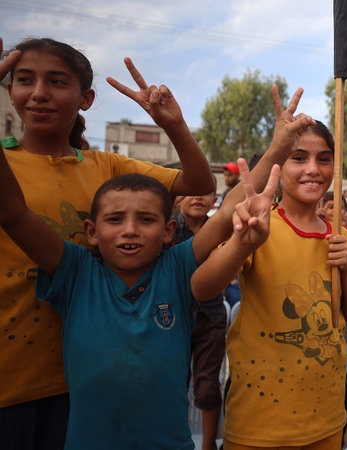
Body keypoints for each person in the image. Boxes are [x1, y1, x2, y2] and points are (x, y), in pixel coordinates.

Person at [0, 37, 216, 448]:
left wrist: (172, 124)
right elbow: (12, 212)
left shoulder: (108, 166)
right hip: (9, 375)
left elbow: (199, 183)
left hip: (81, 381)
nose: (40, 93)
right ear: (10, 90)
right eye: (24, 80)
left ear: (86, 98)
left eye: (57, 81)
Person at [191, 121, 347, 449]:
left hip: (327, 419)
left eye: (324, 158)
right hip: (258, 423)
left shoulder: (344, 239)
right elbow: (201, 289)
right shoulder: (259, 226)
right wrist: (243, 243)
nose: (313, 169)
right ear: (279, 166)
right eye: (299, 158)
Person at [172, 188, 228, 450]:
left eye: (206, 194)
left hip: (212, 316)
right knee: (172, 384)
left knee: (206, 386)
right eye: (192, 192)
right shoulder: (167, 229)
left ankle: (208, 445)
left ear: (214, 201)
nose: (198, 198)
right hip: (173, 318)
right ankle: (174, 440)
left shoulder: (220, 230)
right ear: (179, 198)